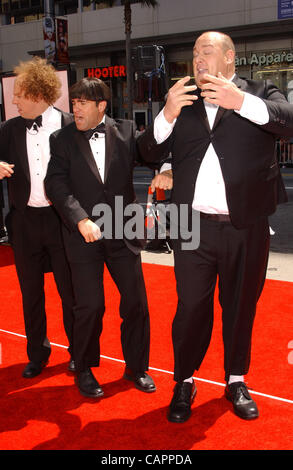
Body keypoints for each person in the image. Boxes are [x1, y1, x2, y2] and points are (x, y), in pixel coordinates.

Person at [138, 31, 293, 422]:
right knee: (191, 308)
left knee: (240, 307)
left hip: (247, 226)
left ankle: (236, 379)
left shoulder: (258, 91)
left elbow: (288, 123)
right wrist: (166, 114)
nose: (198, 61)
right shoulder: (182, 98)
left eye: (206, 52)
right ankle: (184, 380)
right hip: (191, 227)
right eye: (193, 55)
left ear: (230, 59)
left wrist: (239, 101)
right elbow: (146, 151)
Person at [45, 77, 158, 398]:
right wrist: (80, 219)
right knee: (91, 306)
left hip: (123, 232)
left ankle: (137, 367)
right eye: (74, 102)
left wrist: (166, 167)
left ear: (101, 106)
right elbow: (55, 185)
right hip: (84, 236)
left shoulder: (124, 132)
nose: (75, 108)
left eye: (82, 103)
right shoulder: (62, 139)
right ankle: (83, 366)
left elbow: (152, 151)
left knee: (136, 303)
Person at [0, 57, 75, 378]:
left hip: (62, 224)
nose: (13, 100)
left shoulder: (72, 125)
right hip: (24, 224)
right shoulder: (8, 129)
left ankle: (79, 352)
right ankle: (37, 353)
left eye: (18, 94)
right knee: (31, 294)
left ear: (37, 94)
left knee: (71, 292)